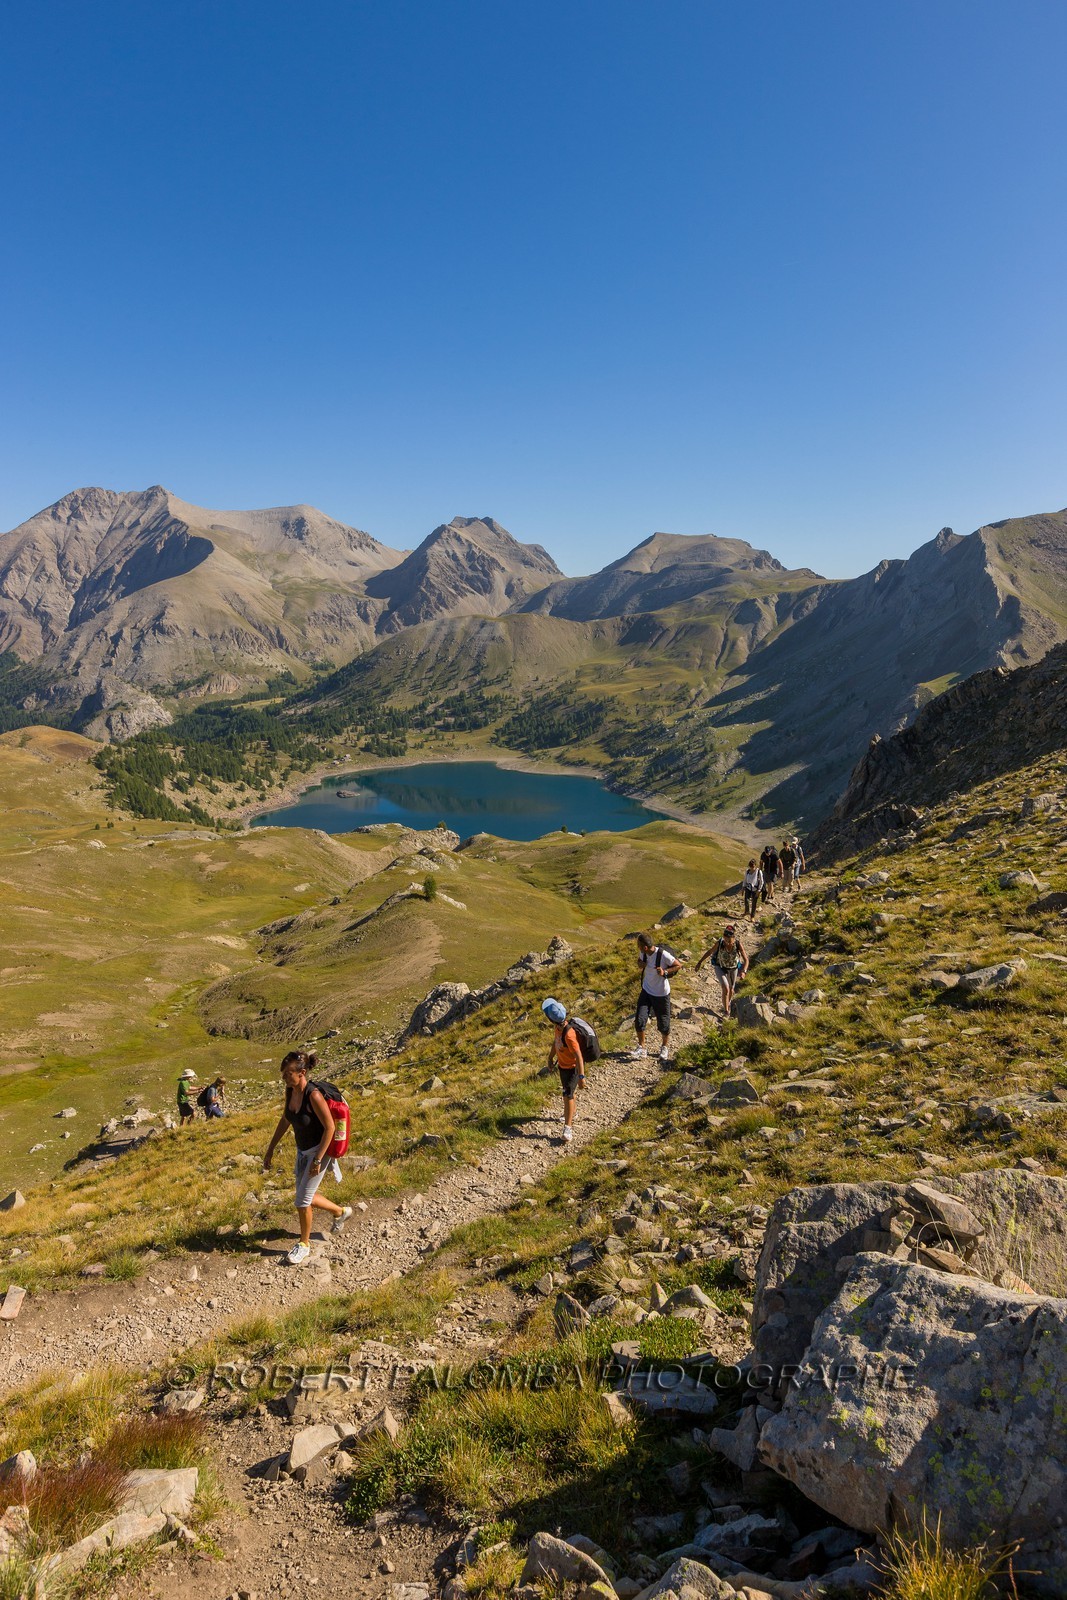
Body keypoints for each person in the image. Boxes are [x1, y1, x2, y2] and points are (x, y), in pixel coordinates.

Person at [263, 1050, 352, 1264]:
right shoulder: (290, 1091)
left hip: (318, 1151)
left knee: (302, 1201)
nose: (284, 1078)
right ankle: (340, 1211)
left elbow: (330, 1128)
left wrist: (319, 1159)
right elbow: (286, 1119)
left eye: (287, 1074)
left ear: (302, 1073)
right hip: (302, 1152)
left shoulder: (314, 1095)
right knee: (306, 1196)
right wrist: (271, 1148)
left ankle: (304, 1244)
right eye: (283, 1074)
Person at [633, 932, 682, 1063]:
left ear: (644, 947)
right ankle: (642, 1048)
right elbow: (640, 962)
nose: (637, 947)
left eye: (639, 945)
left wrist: (665, 972)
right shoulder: (643, 954)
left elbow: (678, 965)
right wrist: (640, 964)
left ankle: (664, 1047)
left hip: (661, 993)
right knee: (639, 1020)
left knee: (664, 1023)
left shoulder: (663, 955)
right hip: (646, 990)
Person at [541, 998, 585, 1143]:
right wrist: (550, 1058)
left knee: (567, 1094)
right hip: (562, 1067)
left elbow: (578, 1056)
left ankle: (568, 1128)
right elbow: (556, 1043)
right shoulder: (558, 1029)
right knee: (567, 1092)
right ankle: (572, 1113)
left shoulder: (569, 1035)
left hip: (572, 1069)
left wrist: (581, 1076)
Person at [696, 924, 749, 1018]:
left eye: (729, 940)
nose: (727, 942)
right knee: (725, 988)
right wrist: (700, 962)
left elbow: (746, 960)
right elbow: (710, 951)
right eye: (725, 939)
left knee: (731, 991)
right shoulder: (720, 942)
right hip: (720, 967)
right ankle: (726, 1011)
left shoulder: (738, 944)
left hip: (733, 969)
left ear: (733, 938)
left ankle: (727, 1004)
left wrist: (744, 971)